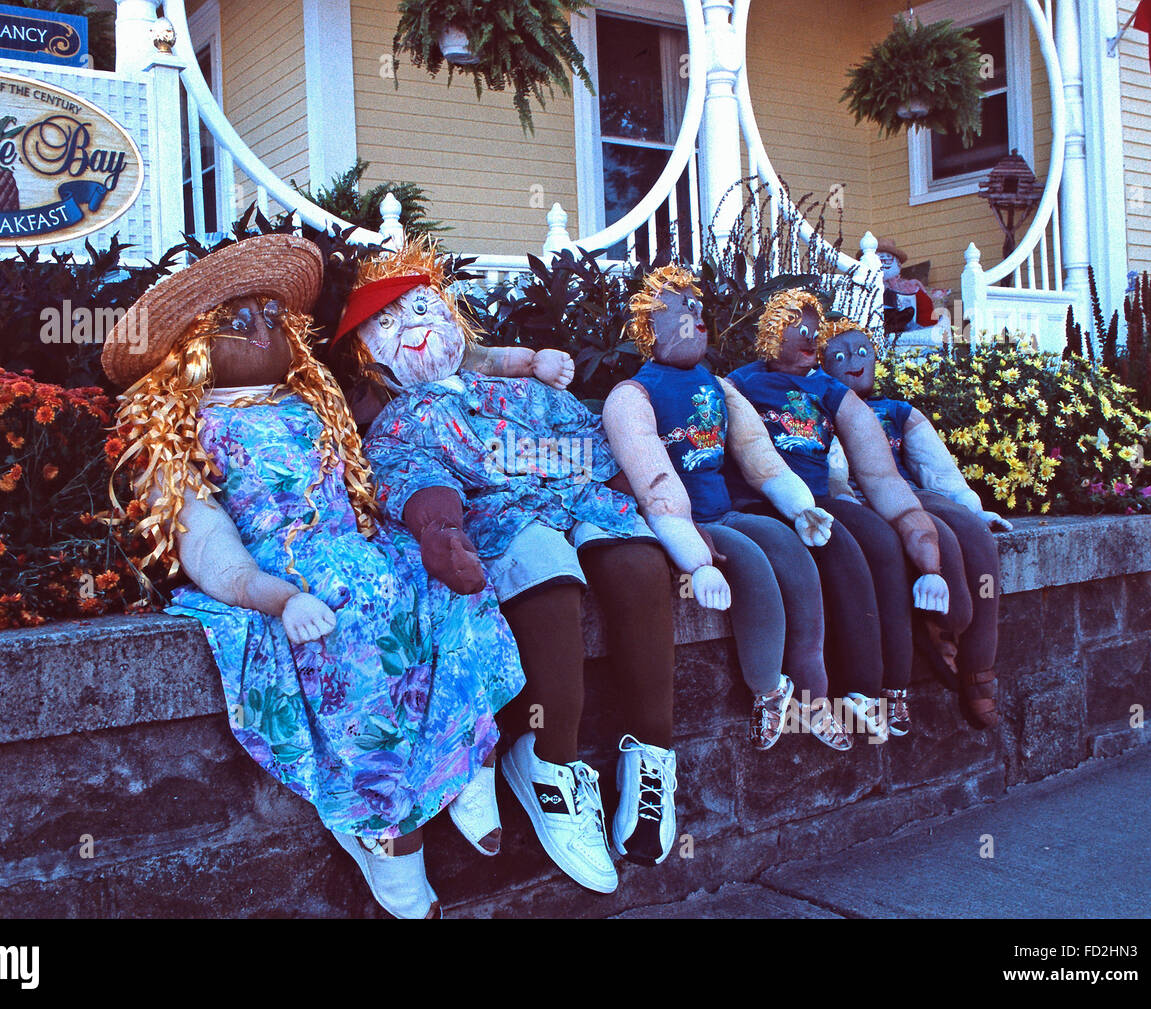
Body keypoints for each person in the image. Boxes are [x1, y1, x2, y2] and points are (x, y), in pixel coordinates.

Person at [104, 234, 525, 919]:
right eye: (237, 323)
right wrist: (274, 595)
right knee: (352, 620)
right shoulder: (180, 432)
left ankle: (468, 753)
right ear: (188, 346)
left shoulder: (315, 402)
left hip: (357, 541)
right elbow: (208, 542)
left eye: (273, 317)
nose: (263, 330)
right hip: (289, 568)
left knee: (446, 580)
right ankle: (385, 823)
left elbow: (376, 463)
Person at [335, 237, 680, 894]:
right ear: (365, 353)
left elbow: (587, 441)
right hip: (495, 511)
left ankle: (652, 749)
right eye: (391, 321)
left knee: (637, 557)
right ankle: (548, 760)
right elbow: (412, 476)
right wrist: (440, 531)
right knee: (542, 562)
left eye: (423, 309)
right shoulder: (401, 417)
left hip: (570, 490)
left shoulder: (510, 388)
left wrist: (654, 502)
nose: (415, 326)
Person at [601, 265, 851, 751]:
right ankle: (768, 690)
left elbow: (758, 453)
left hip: (726, 508)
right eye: (679, 312)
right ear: (650, 328)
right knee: (750, 564)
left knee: (793, 556)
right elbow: (655, 486)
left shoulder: (719, 386)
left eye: (697, 309)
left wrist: (800, 506)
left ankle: (814, 693)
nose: (694, 319)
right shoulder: (632, 396)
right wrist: (695, 560)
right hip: (691, 522)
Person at [723, 281, 950, 739]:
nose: (811, 340)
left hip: (818, 497)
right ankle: (850, 689)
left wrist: (921, 540)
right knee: (840, 550)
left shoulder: (830, 391)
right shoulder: (741, 383)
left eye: (815, 331)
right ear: (772, 335)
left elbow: (880, 474)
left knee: (883, 543)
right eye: (797, 330)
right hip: (759, 500)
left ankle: (890, 687)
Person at [819, 316, 1009, 728]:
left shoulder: (898, 412)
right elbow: (831, 475)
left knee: (975, 537)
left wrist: (970, 506)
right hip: (865, 501)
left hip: (910, 493)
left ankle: (978, 670)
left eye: (862, 352)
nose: (853, 361)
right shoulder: (821, 409)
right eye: (839, 355)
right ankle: (940, 629)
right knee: (940, 540)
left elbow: (937, 469)